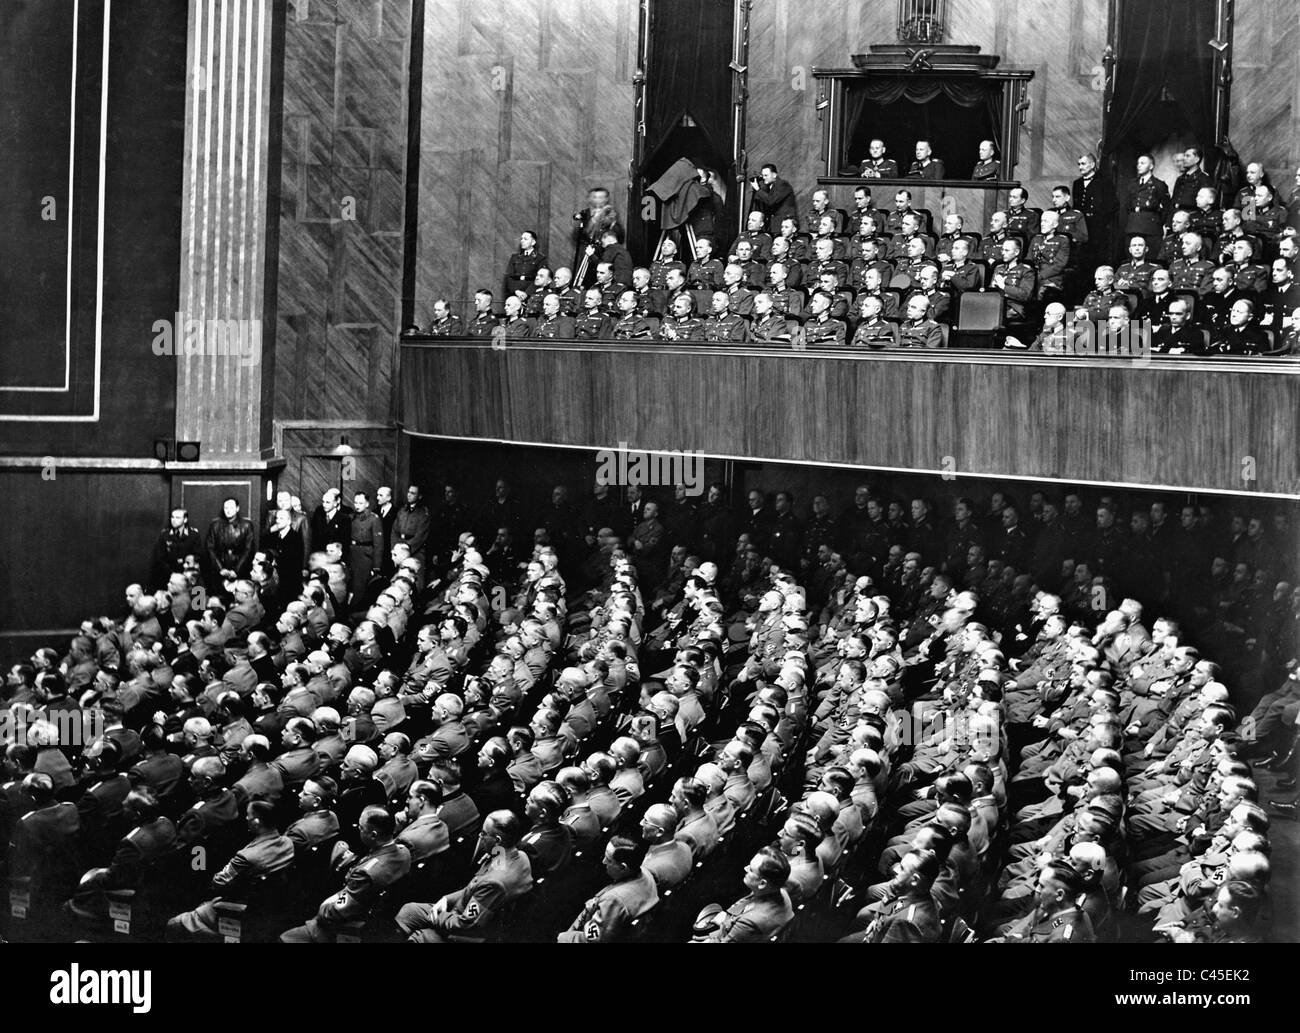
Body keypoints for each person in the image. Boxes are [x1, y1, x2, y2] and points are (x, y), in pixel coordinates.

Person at [394, 809, 532, 942]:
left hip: (466, 933)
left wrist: (437, 917)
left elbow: (466, 924)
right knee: (409, 910)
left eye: (484, 834)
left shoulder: (495, 883)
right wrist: (446, 899)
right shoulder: (513, 856)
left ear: (497, 840)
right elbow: (475, 885)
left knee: (417, 933)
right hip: (462, 911)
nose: (480, 837)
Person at [166, 800, 295, 940]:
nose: (246, 818)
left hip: (234, 910)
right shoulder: (288, 843)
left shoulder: (245, 857)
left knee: (174, 923)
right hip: (268, 905)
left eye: (248, 815)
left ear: (256, 822)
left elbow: (218, 883)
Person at [280, 805, 411, 941]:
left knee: (286, 938)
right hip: (379, 916)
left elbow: (333, 912)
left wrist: (323, 906)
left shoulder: (367, 874)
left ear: (373, 835)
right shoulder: (404, 852)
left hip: (350, 929)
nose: (358, 830)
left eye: (361, 828)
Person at [557, 835, 659, 942]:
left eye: (609, 860)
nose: (604, 861)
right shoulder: (646, 873)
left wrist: (565, 937)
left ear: (623, 867)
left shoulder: (614, 901)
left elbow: (593, 940)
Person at [691, 846, 794, 942]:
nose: (746, 868)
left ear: (762, 883)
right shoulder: (780, 893)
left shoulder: (751, 922)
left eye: (751, 870)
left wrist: (722, 923)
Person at [206, 498, 255, 584]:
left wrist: (237, 570)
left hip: (240, 570)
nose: (228, 510)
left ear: (237, 508)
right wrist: (220, 568)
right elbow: (210, 548)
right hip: (220, 569)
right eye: (226, 508)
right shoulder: (215, 525)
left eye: (231, 508)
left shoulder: (246, 525)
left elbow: (249, 550)